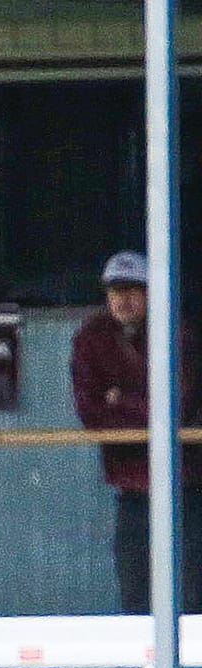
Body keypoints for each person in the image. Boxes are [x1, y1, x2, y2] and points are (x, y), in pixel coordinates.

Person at [70, 250, 202, 621]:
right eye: (115, 290)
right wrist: (140, 405)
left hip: (185, 485)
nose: (123, 299)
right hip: (132, 488)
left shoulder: (179, 330)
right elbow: (91, 413)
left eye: (133, 289)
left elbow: (176, 408)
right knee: (136, 592)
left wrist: (121, 400)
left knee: (191, 595)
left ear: (151, 292)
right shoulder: (91, 337)